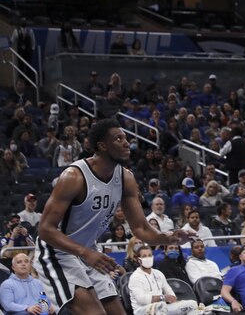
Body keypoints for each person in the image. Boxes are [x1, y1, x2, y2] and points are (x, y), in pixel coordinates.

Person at [34, 119, 195, 314]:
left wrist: (168, 237)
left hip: (88, 252)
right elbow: (44, 229)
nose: (127, 143)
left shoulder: (126, 177)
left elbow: (141, 229)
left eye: (126, 138)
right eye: (119, 139)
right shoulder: (74, 177)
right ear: (102, 146)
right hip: (57, 252)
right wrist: (85, 253)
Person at [128, 246, 198, 315]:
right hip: (142, 310)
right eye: (144, 256)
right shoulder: (135, 277)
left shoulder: (158, 273)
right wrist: (162, 298)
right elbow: (141, 299)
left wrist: (172, 299)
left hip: (163, 307)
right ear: (139, 260)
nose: (148, 258)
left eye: (149, 255)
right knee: (160, 306)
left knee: (192, 304)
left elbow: (169, 292)